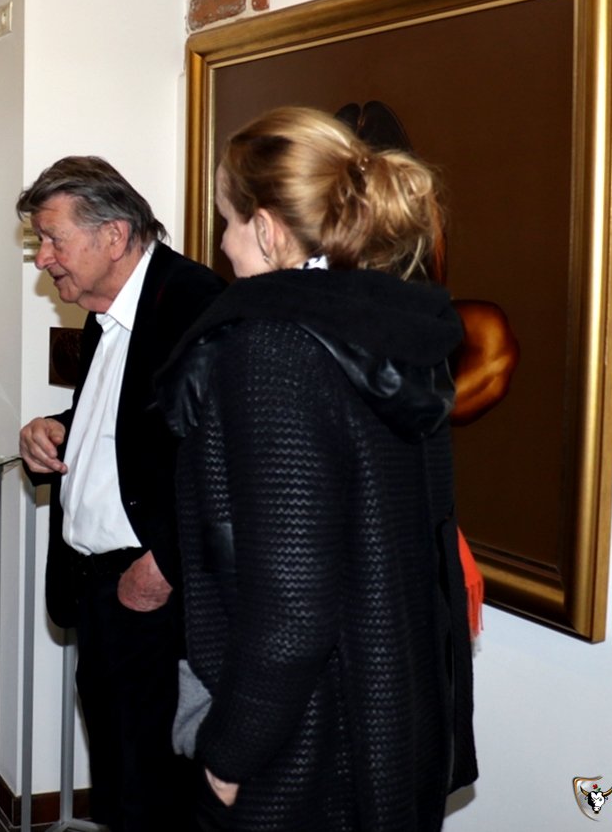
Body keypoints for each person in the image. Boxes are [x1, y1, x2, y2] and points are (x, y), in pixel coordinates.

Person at [156, 107, 478, 830]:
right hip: (390, 723)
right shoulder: (397, 329)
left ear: (269, 229)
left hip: (300, 751)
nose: (223, 244)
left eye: (228, 222)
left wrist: (227, 755)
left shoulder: (272, 350)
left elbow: (293, 609)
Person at [16, 156, 225, 831]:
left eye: (53, 239)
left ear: (113, 235)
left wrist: (164, 564)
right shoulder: (106, 312)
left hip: (157, 600)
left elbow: (225, 460)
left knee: (159, 798)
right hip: (100, 592)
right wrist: (56, 430)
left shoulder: (193, 305)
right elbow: (134, 424)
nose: (43, 258)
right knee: (118, 785)